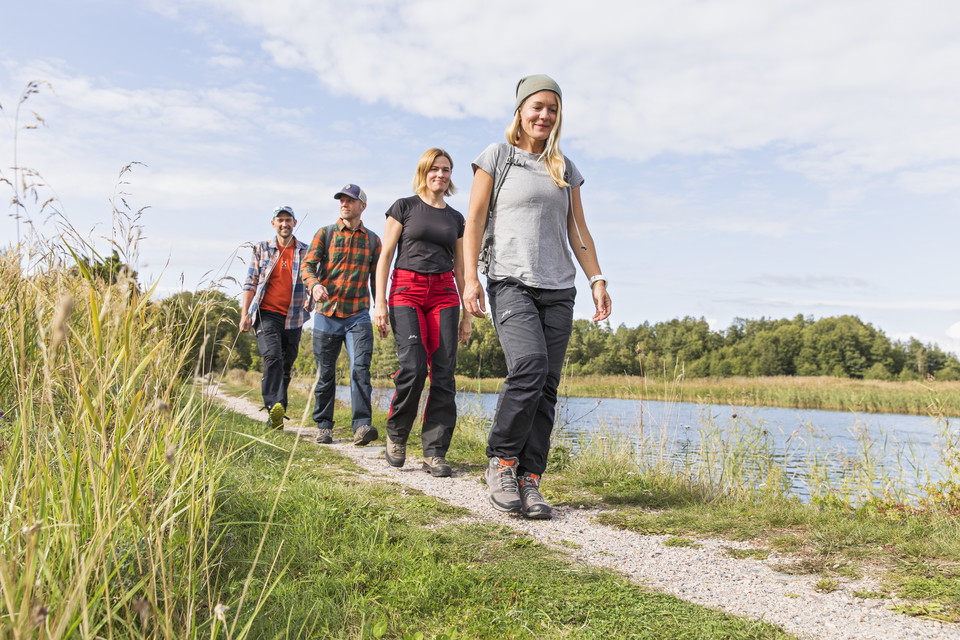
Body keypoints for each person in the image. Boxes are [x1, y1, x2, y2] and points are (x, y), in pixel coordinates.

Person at [462, 74, 612, 519]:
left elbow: (577, 230)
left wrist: (597, 279)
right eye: (537, 107)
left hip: (559, 287)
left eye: (552, 108)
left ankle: (531, 480)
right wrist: (470, 279)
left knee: (547, 386)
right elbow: (473, 222)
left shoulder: (564, 168)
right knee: (529, 367)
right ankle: (502, 462)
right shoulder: (498, 156)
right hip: (510, 280)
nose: (544, 115)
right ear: (520, 111)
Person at [373, 148, 472, 477]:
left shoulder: (456, 218)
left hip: (444, 293)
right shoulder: (404, 207)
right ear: (424, 172)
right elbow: (385, 256)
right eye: (435, 169)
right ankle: (397, 434)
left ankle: (434, 451)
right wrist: (379, 303)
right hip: (406, 289)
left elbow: (460, 267)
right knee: (414, 367)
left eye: (446, 170)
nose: (441, 175)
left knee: (444, 373)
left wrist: (468, 315)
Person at [301, 184, 383, 446]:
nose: (345, 204)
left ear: (362, 206)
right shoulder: (325, 234)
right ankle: (324, 426)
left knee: (360, 369)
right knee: (325, 373)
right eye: (342, 200)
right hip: (326, 314)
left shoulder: (372, 240)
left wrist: (381, 307)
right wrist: (315, 285)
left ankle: (362, 426)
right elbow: (307, 265)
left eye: (351, 200)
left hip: (358, 315)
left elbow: (377, 278)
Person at [240, 205, 313, 429]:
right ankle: (275, 407)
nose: (284, 224)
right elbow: (250, 282)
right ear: (273, 223)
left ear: (295, 223)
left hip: (294, 316)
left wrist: (313, 298)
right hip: (266, 314)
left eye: (288, 220)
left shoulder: (305, 251)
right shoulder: (262, 249)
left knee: (286, 365)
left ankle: (277, 413)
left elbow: (313, 279)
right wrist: (244, 315)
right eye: (280, 220)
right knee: (272, 357)